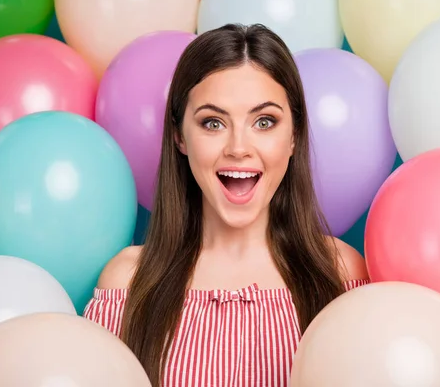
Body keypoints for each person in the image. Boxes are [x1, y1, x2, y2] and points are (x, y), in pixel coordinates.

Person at [83, 23, 370, 386]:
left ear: (294, 135)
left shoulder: (340, 274)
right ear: (179, 137)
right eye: (213, 122)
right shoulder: (129, 284)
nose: (238, 147)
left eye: (264, 122)